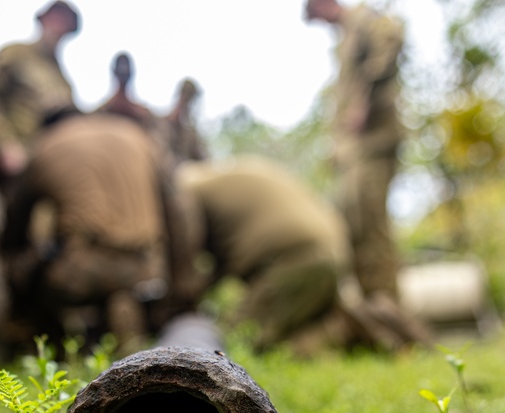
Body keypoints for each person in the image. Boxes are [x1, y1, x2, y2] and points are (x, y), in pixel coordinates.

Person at [177, 156, 428, 352]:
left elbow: (189, 253)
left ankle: (343, 330)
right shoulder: (214, 178)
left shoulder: (185, 189)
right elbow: (223, 257)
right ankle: (360, 318)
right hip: (330, 249)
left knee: (240, 341)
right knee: (286, 324)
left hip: (293, 258)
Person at [2, 112, 179, 350]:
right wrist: (181, 286)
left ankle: (52, 354)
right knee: (123, 293)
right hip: (144, 267)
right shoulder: (139, 138)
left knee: (27, 277)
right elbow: (177, 211)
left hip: (82, 269)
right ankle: (125, 338)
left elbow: (14, 225)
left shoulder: (47, 144)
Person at [304, 0, 405, 300]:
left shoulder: (364, 19)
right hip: (354, 151)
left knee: (371, 225)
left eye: (318, 17)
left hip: (375, 143)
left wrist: (366, 100)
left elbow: (392, 40)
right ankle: (372, 308)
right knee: (353, 226)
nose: (323, 25)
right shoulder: (345, 37)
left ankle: (389, 310)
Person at [0, 1, 80, 182]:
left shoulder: (64, 85)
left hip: (39, 178)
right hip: (0, 170)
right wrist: (3, 144)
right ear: (43, 20)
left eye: (65, 22)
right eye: (55, 18)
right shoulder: (16, 54)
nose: (58, 26)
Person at [95, 52, 156, 129]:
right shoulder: (102, 111)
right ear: (114, 72)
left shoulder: (143, 114)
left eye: (126, 66)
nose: (123, 69)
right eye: (120, 66)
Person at [162, 78, 208, 165]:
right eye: (185, 95)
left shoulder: (190, 132)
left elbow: (203, 158)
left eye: (189, 97)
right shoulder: (164, 123)